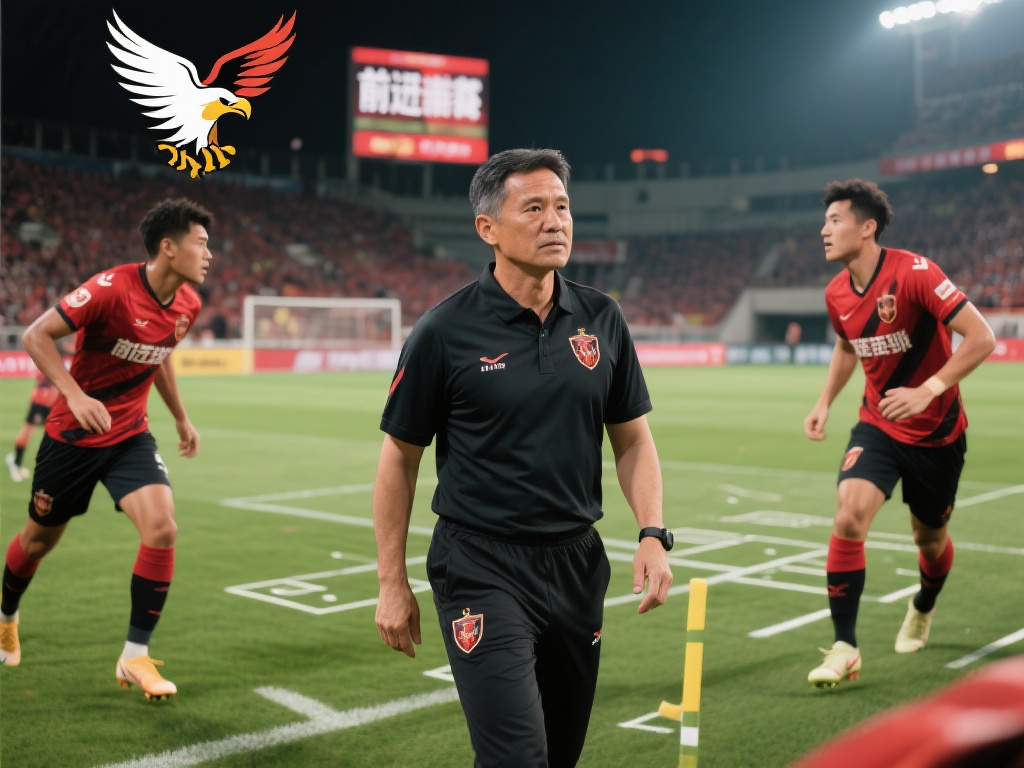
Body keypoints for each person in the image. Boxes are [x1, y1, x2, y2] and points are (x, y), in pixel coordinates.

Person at [372, 148, 673, 767]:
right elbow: (399, 458)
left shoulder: (602, 317)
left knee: (560, 753)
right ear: (488, 228)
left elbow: (633, 439)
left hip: (577, 564)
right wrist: (390, 582)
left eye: (562, 206)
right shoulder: (443, 331)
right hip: (480, 565)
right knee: (516, 757)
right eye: (533, 208)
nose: (554, 221)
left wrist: (652, 532)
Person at [0, 198, 214, 702]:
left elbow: (160, 356)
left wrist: (180, 416)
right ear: (169, 247)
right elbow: (36, 335)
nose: (209, 255)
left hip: (129, 436)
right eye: (201, 244)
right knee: (37, 543)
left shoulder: (188, 304)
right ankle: (6, 618)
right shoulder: (111, 288)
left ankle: (134, 656)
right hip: (71, 438)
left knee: (162, 527)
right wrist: (74, 396)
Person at [804, 179, 995, 688]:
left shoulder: (915, 273)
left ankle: (924, 603)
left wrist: (928, 390)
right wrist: (824, 402)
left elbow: (982, 337)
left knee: (928, 540)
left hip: (937, 434)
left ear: (867, 227)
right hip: (879, 424)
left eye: (835, 221)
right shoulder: (836, 292)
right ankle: (845, 647)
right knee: (849, 515)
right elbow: (848, 347)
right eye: (825, 221)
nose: (824, 230)